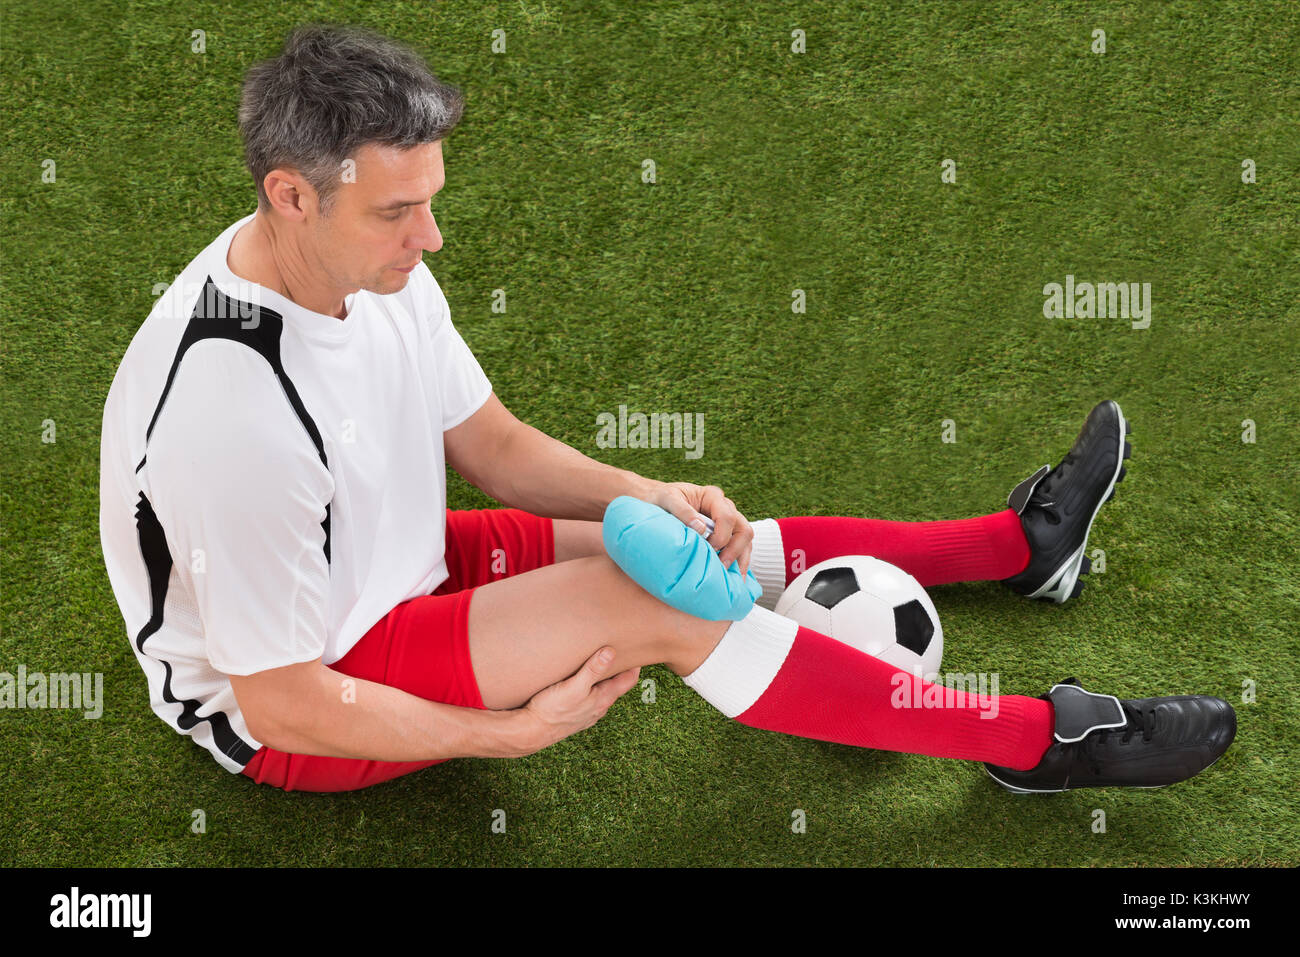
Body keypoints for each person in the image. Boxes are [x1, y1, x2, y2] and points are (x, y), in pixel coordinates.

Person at [98, 24, 1235, 795]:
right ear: (290, 194)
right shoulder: (231, 418)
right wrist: (500, 736)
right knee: (663, 604)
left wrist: (644, 491)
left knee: (685, 543)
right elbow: (287, 701)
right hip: (303, 696)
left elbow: (488, 447)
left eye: (432, 201)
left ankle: (1019, 549)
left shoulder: (364, 264)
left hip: (380, 564)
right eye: (400, 212)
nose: (431, 239)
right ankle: (1046, 745)